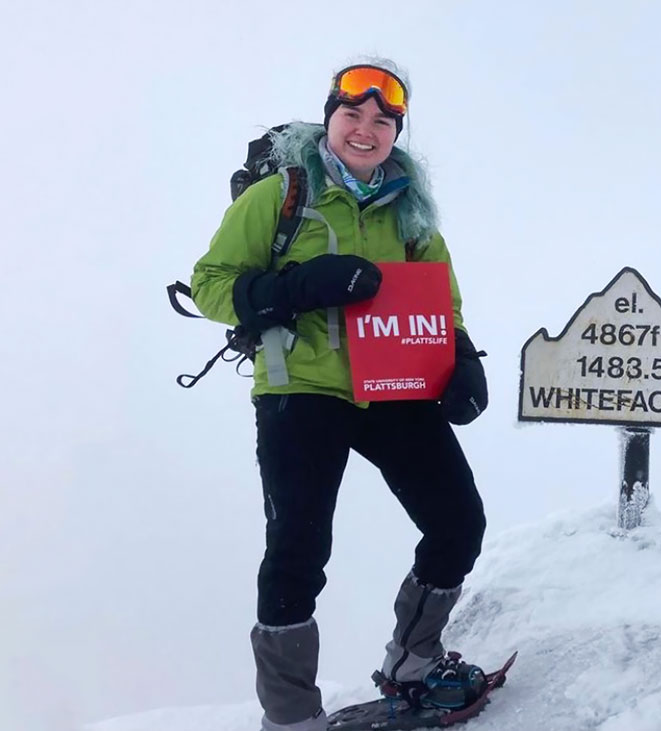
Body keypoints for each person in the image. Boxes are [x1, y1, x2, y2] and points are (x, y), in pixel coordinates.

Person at [190, 57, 489, 731]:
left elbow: (443, 298)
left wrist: (462, 359)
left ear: (395, 133)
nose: (366, 129)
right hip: (302, 387)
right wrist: (297, 285)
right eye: (353, 114)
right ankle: (292, 716)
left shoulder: (411, 211)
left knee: (458, 520)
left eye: (383, 121)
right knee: (297, 548)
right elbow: (211, 283)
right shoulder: (282, 195)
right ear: (331, 118)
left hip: (395, 385)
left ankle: (413, 659)